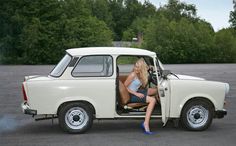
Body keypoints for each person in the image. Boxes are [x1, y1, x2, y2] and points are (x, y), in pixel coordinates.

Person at [124, 58, 158, 135]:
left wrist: (148, 70)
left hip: (136, 92)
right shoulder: (133, 74)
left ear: (141, 68)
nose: (136, 68)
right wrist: (137, 94)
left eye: (138, 67)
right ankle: (146, 124)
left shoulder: (139, 74)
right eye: (135, 66)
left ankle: (150, 107)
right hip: (131, 95)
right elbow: (125, 87)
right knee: (152, 100)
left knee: (156, 90)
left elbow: (143, 84)